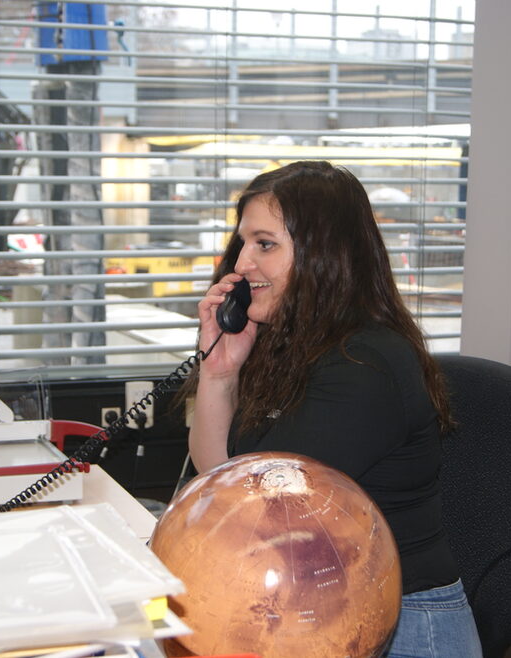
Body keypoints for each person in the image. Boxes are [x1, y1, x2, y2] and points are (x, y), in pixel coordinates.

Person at [187, 160, 482, 658]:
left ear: (325, 255)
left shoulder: (365, 365)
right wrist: (219, 373)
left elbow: (262, 511)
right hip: (322, 608)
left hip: (401, 624)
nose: (240, 264)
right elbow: (220, 476)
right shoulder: (287, 346)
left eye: (265, 244)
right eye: (242, 243)